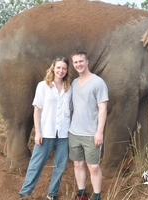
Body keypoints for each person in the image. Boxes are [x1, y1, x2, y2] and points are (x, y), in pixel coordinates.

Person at [19, 56, 72, 200]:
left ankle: (52, 194)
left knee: (60, 166)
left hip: (63, 134)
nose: (61, 71)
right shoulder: (43, 86)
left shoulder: (69, 89)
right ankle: (25, 193)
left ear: (67, 71)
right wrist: (38, 132)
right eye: (58, 67)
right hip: (46, 132)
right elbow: (37, 110)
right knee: (36, 164)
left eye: (64, 68)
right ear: (53, 68)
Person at [69, 50, 108, 200]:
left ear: (87, 62)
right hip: (74, 132)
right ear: (73, 64)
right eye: (75, 62)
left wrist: (99, 132)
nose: (78, 64)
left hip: (92, 133)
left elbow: (103, 108)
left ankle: (97, 196)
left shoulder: (98, 82)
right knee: (77, 164)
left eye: (81, 61)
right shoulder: (74, 83)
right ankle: (82, 194)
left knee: (94, 167)